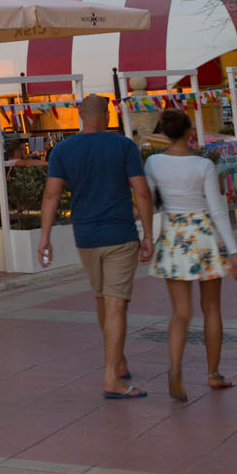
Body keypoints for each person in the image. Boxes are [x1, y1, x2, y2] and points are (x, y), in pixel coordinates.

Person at [38, 94, 154, 398]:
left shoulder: (62, 150)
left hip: (85, 235)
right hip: (120, 233)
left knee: (103, 299)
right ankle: (111, 378)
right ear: (105, 115)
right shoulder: (123, 146)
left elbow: (51, 196)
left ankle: (119, 363)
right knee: (116, 303)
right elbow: (142, 193)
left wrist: (44, 238)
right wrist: (149, 234)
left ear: (80, 115)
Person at [145, 110, 237, 398]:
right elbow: (217, 210)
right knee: (211, 308)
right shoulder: (203, 165)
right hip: (203, 235)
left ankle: (175, 367)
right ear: (189, 131)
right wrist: (233, 249)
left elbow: (150, 205)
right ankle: (213, 373)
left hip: (174, 235)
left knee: (180, 312)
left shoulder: (153, 162)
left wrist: (148, 238)